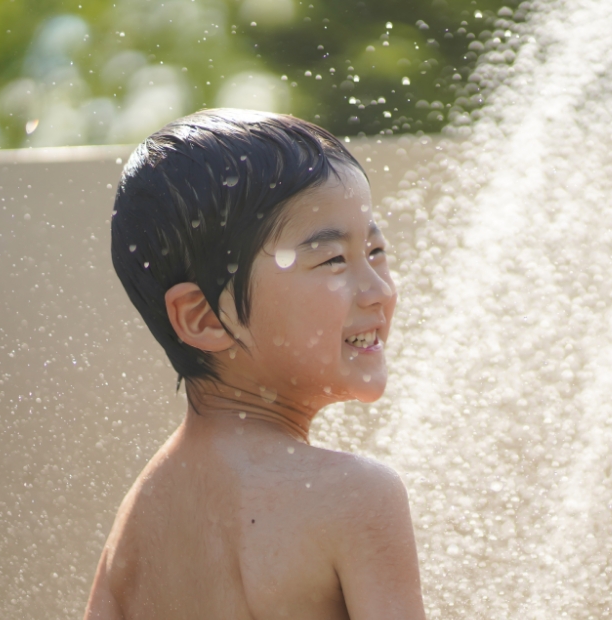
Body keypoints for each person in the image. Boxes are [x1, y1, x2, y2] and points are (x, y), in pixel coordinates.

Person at [84, 109, 425, 619]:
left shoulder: (137, 525)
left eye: (376, 250)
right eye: (333, 259)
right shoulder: (353, 498)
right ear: (203, 317)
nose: (378, 291)